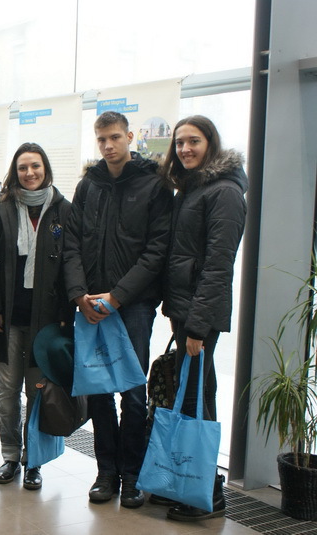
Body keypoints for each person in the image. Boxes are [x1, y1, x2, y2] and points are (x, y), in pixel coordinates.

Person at [64, 111, 173, 508]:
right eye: (101, 140)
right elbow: (71, 244)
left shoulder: (154, 185)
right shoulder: (88, 186)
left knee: (132, 392)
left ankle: (132, 475)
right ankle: (106, 472)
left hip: (134, 306)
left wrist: (118, 296)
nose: (108, 146)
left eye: (114, 137)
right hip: (92, 304)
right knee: (98, 391)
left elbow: (157, 251)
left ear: (129, 136)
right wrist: (80, 295)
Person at [159, 115, 247, 521]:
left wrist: (196, 326)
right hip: (185, 311)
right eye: (179, 143)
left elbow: (217, 266)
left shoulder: (224, 192)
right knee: (197, 393)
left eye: (193, 141)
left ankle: (207, 495)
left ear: (210, 143)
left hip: (199, 317)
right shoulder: (193, 188)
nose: (185, 149)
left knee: (196, 399)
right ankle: (195, 484)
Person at [0, 142, 74, 490]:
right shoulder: (2, 207)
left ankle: (34, 460)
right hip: (6, 318)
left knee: (37, 393)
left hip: (45, 322)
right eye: (23, 167)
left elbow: (70, 263)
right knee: (7, 394)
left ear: (45, 168)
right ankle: (10, 455)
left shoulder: (63, 209)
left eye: (35, 166)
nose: (29, 173)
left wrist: (65, 314)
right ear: (15, 172)